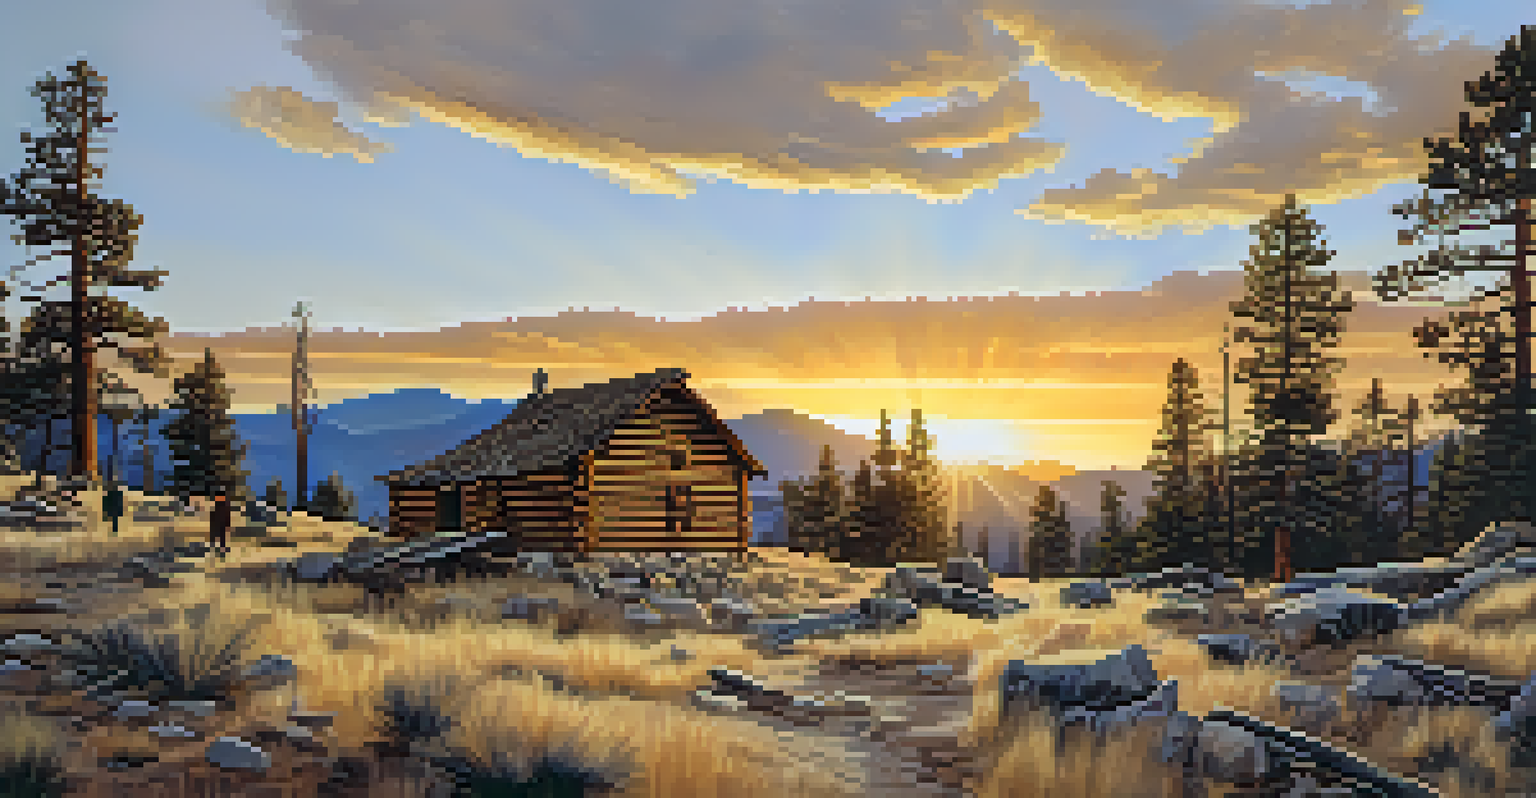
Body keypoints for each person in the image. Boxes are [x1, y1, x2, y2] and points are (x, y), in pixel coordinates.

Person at [210, 493, 231, 558]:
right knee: (220, 535)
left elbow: (226, 515)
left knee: (220, 535)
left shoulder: (221, 506)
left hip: (220, 521)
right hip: (220, 521)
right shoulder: (223, 506)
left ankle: (219, 548)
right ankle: (219, 548)